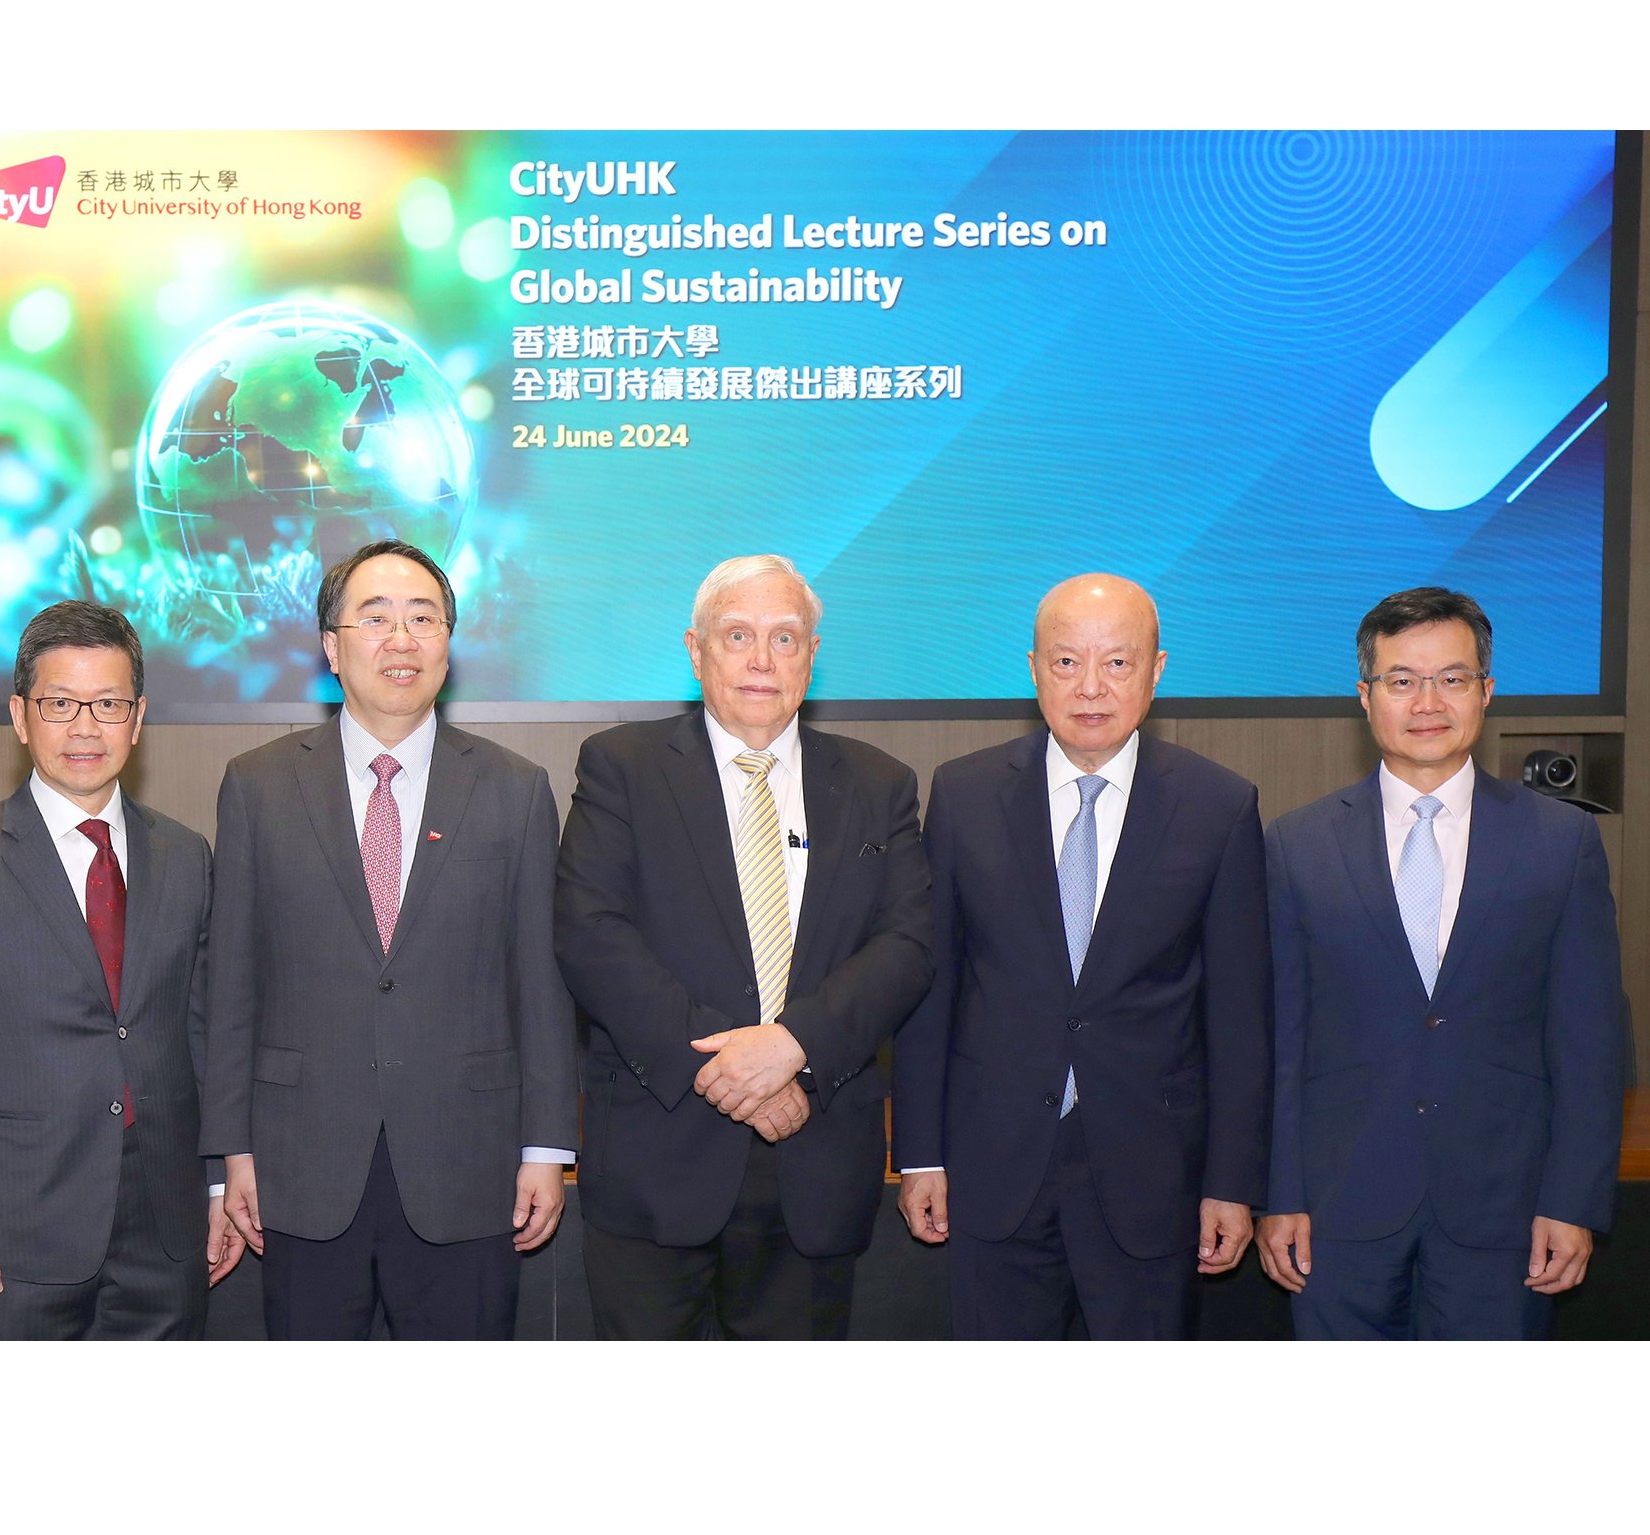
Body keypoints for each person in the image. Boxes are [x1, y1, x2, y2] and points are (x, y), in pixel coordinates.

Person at [204, 538, 575, 1339]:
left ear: (449, 642)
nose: (401, 640)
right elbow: (230, 983)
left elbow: (540, 984)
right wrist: (228, 1156)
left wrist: (546, 1146)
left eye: (423, 618)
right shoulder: (258, 785)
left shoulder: (515, 790)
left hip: (467, 1166)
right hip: (297, 1167)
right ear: (333, 648)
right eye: (375, 619)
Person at [554, 555, 931, 1338]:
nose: (762, 660)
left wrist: (795, 1045)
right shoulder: (620, 767)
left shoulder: (878, 782)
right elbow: (591, 934)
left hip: (816, 1158)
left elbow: (908, 944)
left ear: (813, 655)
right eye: (738, 636)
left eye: (785, 638)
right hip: (657, 1163)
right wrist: (732, 1072)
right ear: (696, 650)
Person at [894, 572, 1270, 1338]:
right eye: (1067, 662)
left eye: (1118, 663)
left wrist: (1232, 1181)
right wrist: (920, 1156)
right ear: (1033, 669)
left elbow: (1239, 1015)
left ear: (1157, 670)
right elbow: (932, 992)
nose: (1091, 687)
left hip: (1151, 1176)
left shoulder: (1219, 806)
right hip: (993, 1166)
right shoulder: (963, 795)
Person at [1256, 587, 1626, 1338]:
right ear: (1365, 697)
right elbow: (1280, 1040)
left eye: (1452, 678)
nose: (1428, 701)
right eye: (1402, 680)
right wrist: (1279, 1193)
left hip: (1507, 1209)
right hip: (1337, 1206)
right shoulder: (1297, 845)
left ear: (1486, 692)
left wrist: (1572, 1199)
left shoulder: (1562, 843)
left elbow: (1590, 1042)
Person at [0, 600, 239, 1338]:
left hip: (166, 1230)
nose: (85, 728)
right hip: (18, 1234)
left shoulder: (187, 857)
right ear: (21, 716)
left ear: (138, 717)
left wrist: (216, 1183)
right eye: (60, 704)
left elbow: (206, 1035)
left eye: (108, 704)